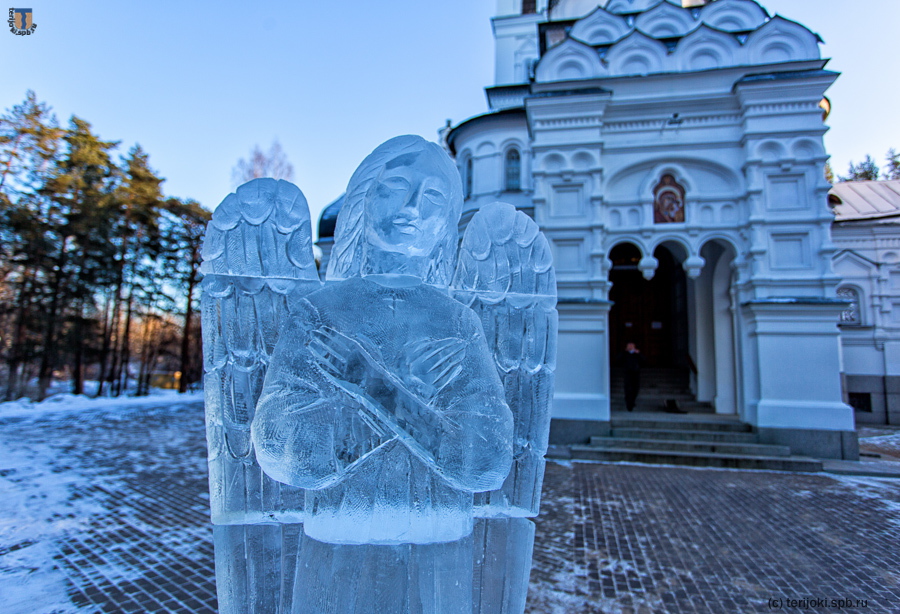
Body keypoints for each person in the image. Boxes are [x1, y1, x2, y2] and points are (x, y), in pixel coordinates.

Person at [621, 342, 643, 412]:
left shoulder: (637, 354)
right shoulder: (625, 354)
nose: (630, 347)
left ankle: (632, 401)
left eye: (632, 346)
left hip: (636, 373)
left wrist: (638, 353)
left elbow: (644, 360)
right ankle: (629, 404)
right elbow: (618, 359)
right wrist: (624, 352)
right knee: (628, 389)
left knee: (635, 388)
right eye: (629, 346)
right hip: (627, 373)